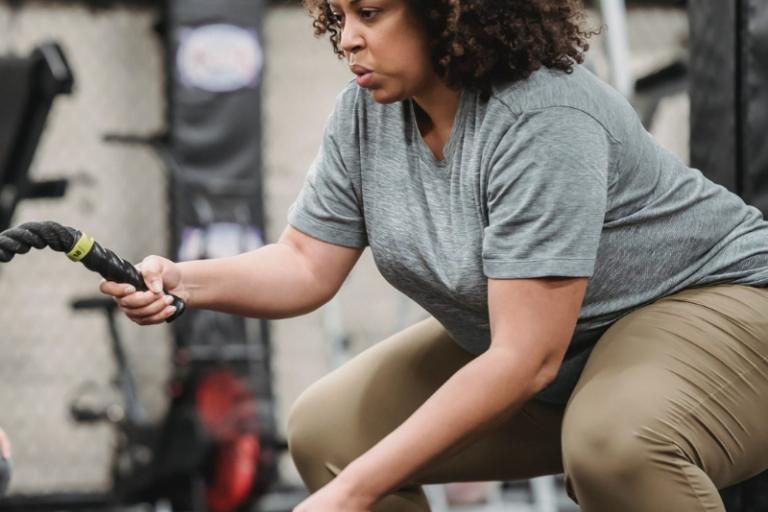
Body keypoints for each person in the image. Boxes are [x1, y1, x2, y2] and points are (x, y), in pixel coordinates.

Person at [99, 0, 768, 510]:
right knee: (329, 433)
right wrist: (183, 279)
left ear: (446, 10)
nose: (347, 38)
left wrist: (354, 493)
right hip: (563, 351)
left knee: (612, 443)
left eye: (369, 12)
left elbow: (523, 359)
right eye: (336, 15)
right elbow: (304, 262)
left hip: (725, 308)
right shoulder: (365, 113)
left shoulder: (542, 118)